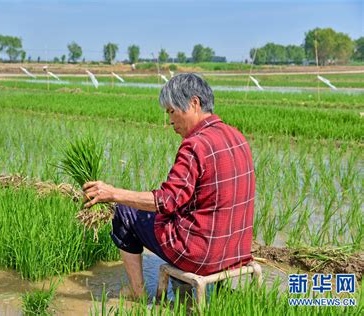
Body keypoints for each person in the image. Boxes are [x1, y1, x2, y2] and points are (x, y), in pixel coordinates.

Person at [82, 73, 255, 298]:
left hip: (201, 256)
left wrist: (113, 193)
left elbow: (166, 201)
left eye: (172, 112)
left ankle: (136, 292)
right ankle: (185, 288)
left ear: (194, 103)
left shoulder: (195, 145)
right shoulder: (236, 136)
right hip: (236, 252)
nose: (170, 121)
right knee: (180, 213)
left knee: (125, 212)